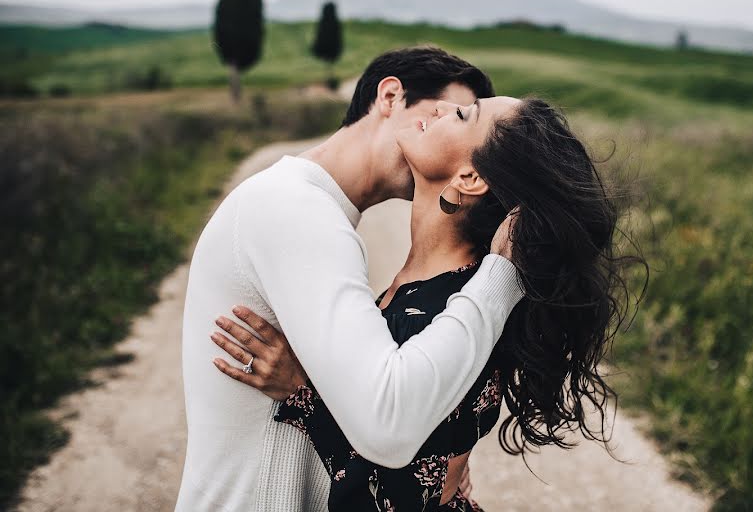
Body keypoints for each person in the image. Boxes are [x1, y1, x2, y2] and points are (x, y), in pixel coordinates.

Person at [212, 96, 644, 509]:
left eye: (462, 115)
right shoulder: (441, 288)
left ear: (470, 179)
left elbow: (395, 495)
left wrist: (301, 393)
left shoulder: (449, 307)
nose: (440, 108)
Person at [176, 48, 527, 511]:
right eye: (442, 107)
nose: (441, 118)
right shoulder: (296, 210)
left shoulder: (316, 214)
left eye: (460, 117)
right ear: (389, 95)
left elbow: (387, 409)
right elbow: (387, 419)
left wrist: (437, 445)